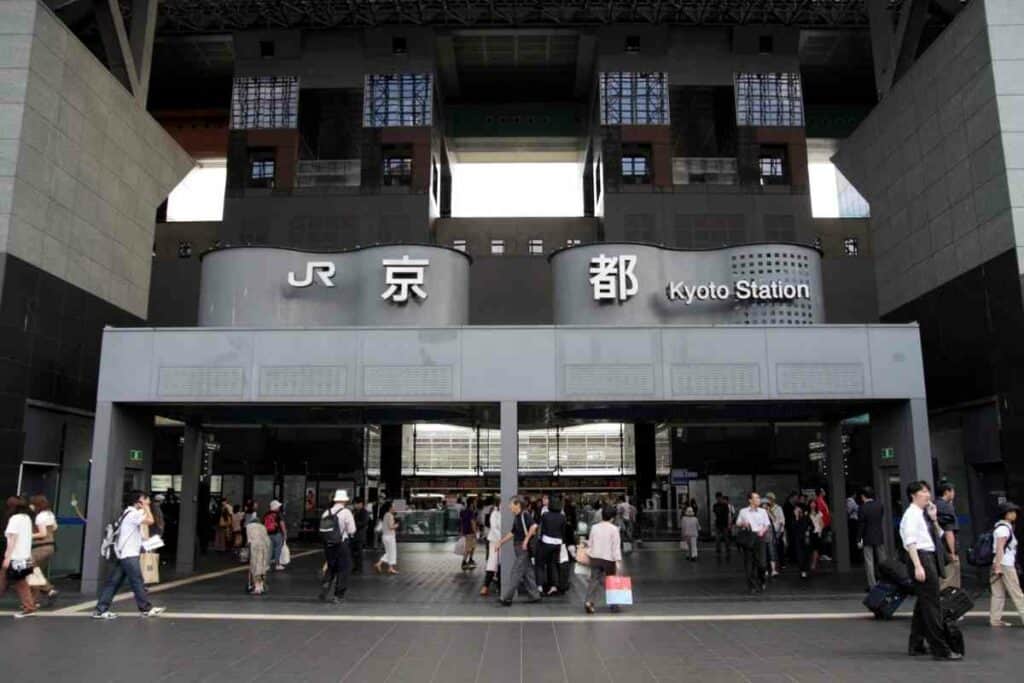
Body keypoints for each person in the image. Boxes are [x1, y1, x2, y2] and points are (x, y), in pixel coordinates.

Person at [899, 481, 959, 661]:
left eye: (928, 491)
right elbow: (911, 542)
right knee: (932, 604)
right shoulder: (911, 515)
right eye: (924, 491)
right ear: (913, 495)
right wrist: (918, 565)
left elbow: (939, 535)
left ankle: (916, 644)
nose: (928, 495)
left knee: (924, 603)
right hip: (922, 558)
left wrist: (934, 519)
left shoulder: (923, 514)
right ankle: (940, 649)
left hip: (928, 557)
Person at [92, 491, 166, 619]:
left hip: (123, 554)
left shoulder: (127, 513)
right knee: (137, 581)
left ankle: (100, 609)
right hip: (129, 554)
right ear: (137, 501)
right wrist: (146, 508)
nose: (147, 501)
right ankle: (146, 609)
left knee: (113, 582)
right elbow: (150, 520)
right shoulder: (133, 514)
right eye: (144, 499)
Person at [497, 496, 541, 606]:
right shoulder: (517, 516)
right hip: (519, 548)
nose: (509, 506)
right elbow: (512, 532)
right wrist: (500, 542)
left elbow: (534, 526)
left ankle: (507, 598)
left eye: (510, 504)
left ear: (517, 504)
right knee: (527, 572)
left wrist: (525, 541)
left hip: (523, 549)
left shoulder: (524, 514)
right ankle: (535, 596)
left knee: (516, 572)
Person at [1, 496, 38, 618]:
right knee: (19, 582)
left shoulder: (15, 519)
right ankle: (29, 606)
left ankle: (29, 607)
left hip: (16, 557)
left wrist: (7, 556)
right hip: (25, 555)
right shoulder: (27, 518)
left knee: (16, 582)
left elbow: (13, 538)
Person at [990, 501, 1024, 627]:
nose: (1014, 514)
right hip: (1005, 564)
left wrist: (996, 565)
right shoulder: (1004, 529)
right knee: (1017, 592)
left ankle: (995, 620)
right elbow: (1000, 548)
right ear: (1005, 514)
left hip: (997, 563)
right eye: (1011, 512)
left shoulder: (1000, 527)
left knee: (998, 593)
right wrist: (999, 566)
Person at [319, 489, 356, 604]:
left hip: (328, 545)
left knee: (331, 566)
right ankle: (338, 595)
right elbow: (352, 530)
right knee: (344, 568)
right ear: (344, 501)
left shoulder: (326, 512)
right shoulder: (346, 512)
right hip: (341, 544)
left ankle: (325, 585)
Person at [584, 505, 622, 614]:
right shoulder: (614, 529)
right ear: (612, 518)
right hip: (608, 560)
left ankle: (589, 602)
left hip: (595, 558)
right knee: (610, 581)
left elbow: (590, 543)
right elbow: (616, 547)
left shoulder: (594, 527)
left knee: (593, 581)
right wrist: (618, 562)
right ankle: (614, 605)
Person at [736, 491, 770, 594]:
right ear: (750, 500)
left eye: (759, 498)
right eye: (757, 498)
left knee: (762, 564)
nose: (759, 500)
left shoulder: (763, 511)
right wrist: (743, 523)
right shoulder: (743, 511)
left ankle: (762, 580)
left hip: (760, 537)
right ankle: (752, 586)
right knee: (749, 565)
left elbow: (767, 524)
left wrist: (762, 531)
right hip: (749, 537)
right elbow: (737, 523)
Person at [29, 494, 59, 606]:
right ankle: (35, 601)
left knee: (28, 566)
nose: (30, 506)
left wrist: (29, 534)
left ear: (37, 504)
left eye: (32, 503)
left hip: (41, 547)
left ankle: (49, 589)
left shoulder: (40, 516)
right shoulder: (50, 514)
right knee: (36, 572)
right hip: (50, 546)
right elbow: (55, 527)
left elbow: (43, 533)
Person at [857, 486, 886, 589]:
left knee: (869, 561)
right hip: (879, 535)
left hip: (867, 537)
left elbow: (861, 525)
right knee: (882, 560)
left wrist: (859, 539)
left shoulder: (862, 508)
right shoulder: (879, 505)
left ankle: (872, 584)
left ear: (863, 496)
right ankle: (885, 581)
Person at [537, 498, 567, 595]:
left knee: (540, 564)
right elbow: (563, 531)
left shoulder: (545, 515)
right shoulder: (562, 517)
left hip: (546, 541)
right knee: (553, 564)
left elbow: (541, 530)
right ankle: (553, 587)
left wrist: (539, 540)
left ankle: (540, 587)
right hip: (558, 542)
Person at [935, 483, 960, 590]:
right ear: (947, 492)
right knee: (951, 580)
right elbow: (949, 532)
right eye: (952, 491)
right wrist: (952, 552)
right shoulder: (946, 507)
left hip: (937, 548)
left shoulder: (934, 504)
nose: (954, 494)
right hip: (947, 549)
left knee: (942, 578)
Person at [245, 501, 271, 595]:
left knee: (254, 567)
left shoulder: (249, 527)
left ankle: (256, 587)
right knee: (262, 567)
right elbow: (267, 539)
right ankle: (261, 585)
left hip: (255, 548)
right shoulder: (263, 527)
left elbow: (249, 541)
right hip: (265, 547)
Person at [481, 496, 502, 596]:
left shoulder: (508, 514)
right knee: (492, 563)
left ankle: (500, 586)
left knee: (502, 564)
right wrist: (500, 539)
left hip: (504, 542)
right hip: (494, 541)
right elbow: (493, 528)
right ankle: (485, 586)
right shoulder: (494, 513)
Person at [374, 501, 399, 574]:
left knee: (390, 552)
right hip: (390, 536)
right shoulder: (390, 515)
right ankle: (379, 563)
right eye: (393, 506)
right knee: (391, 552)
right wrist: (397, 525)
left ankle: (390, 568)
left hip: (385, 536)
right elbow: (391, 527)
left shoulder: (385, 515)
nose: (394, 508)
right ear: (390, 508)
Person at [764, 492, 785, 576]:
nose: (769, 500)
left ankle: (775, 568)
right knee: (767, 551)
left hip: (777, 532)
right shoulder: (764, 509)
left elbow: (780, 521)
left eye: (770, 498)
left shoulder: (778, 508)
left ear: (773, 499)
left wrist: (779, 533)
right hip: (767, 532)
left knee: (775, 551)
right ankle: (767, 568)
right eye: (767, 498)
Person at [791, 504, 812, 578]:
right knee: (800, 555)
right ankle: (802, 570)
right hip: (798, 538)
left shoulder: (806, 517)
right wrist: (796, 517)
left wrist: (809, 529)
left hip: (805, 538)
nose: (796, 510)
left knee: (806, 554)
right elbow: (793, 528)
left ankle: (806, 569)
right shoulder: (794, 518)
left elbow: (810, 525)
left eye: (797, 509)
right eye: (795, 509)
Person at [264, 500, 286, 570]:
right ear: (275, 507)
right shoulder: (278, 514)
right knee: (278, 549)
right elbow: (282, 524)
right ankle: (277, 565)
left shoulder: (266, 514)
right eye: (278, 506)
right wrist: (285, 534)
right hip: (277, 534)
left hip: (268, 534)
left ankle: (267, 565)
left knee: (269, 550)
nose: (279, 507)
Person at [351, 497, 369, 574]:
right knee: (353, 553)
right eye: (354, 504)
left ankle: (359, 568)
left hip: (360, 536)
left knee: (359, 553)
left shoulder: (364, 512)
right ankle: (355, 567)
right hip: (353, 536)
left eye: (355, 504)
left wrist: (353, 522)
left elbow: (363, 523)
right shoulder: (354, 511)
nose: (354, 505)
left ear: (360, 504)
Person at [460, 498, 478, 570]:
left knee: (473, 546)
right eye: (474, 502)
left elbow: (461, 522)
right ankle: (464, 562)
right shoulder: (471, 512)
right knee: (468, 548)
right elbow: (472, 522)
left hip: (466, 531)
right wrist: (475, 532)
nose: (475, 504)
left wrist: (462, 531)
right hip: (470, 532)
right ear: (471, 504)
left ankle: (470, 560)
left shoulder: (463, 512)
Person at [815, 489, 832, 560]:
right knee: (823, 539)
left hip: (826, 523)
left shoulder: (822, 500)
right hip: (823, 523)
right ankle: (822, 554)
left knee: (825, 538)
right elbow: (819, 512)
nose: (825, 492)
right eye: (823, 491)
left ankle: (824, 554)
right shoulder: (818, 500)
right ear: (820, 493)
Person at [712, 492, 731, 557]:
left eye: (719, 498)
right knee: (717, 538)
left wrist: (728, 524)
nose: (718, 499)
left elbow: (728, 515)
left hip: (724, 524)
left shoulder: (725, 505)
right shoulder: (715, 505)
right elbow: (714, 514)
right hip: (718, 523)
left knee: (725, 538)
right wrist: (714, 522)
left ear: (721, 497)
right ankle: (718, 550)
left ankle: (727, 549)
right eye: (717, 498)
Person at [808, 499, 825, 572]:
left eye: (814, 503)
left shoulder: (819, 513)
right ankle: (809, 562)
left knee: (816, 549)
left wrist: (820, 532)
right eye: (811, 503)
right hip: (809, 533)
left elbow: (822, 523)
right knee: (809, 549)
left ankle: (814, 564)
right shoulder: (807, 513)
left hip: (817, 532)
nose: (813, 505)